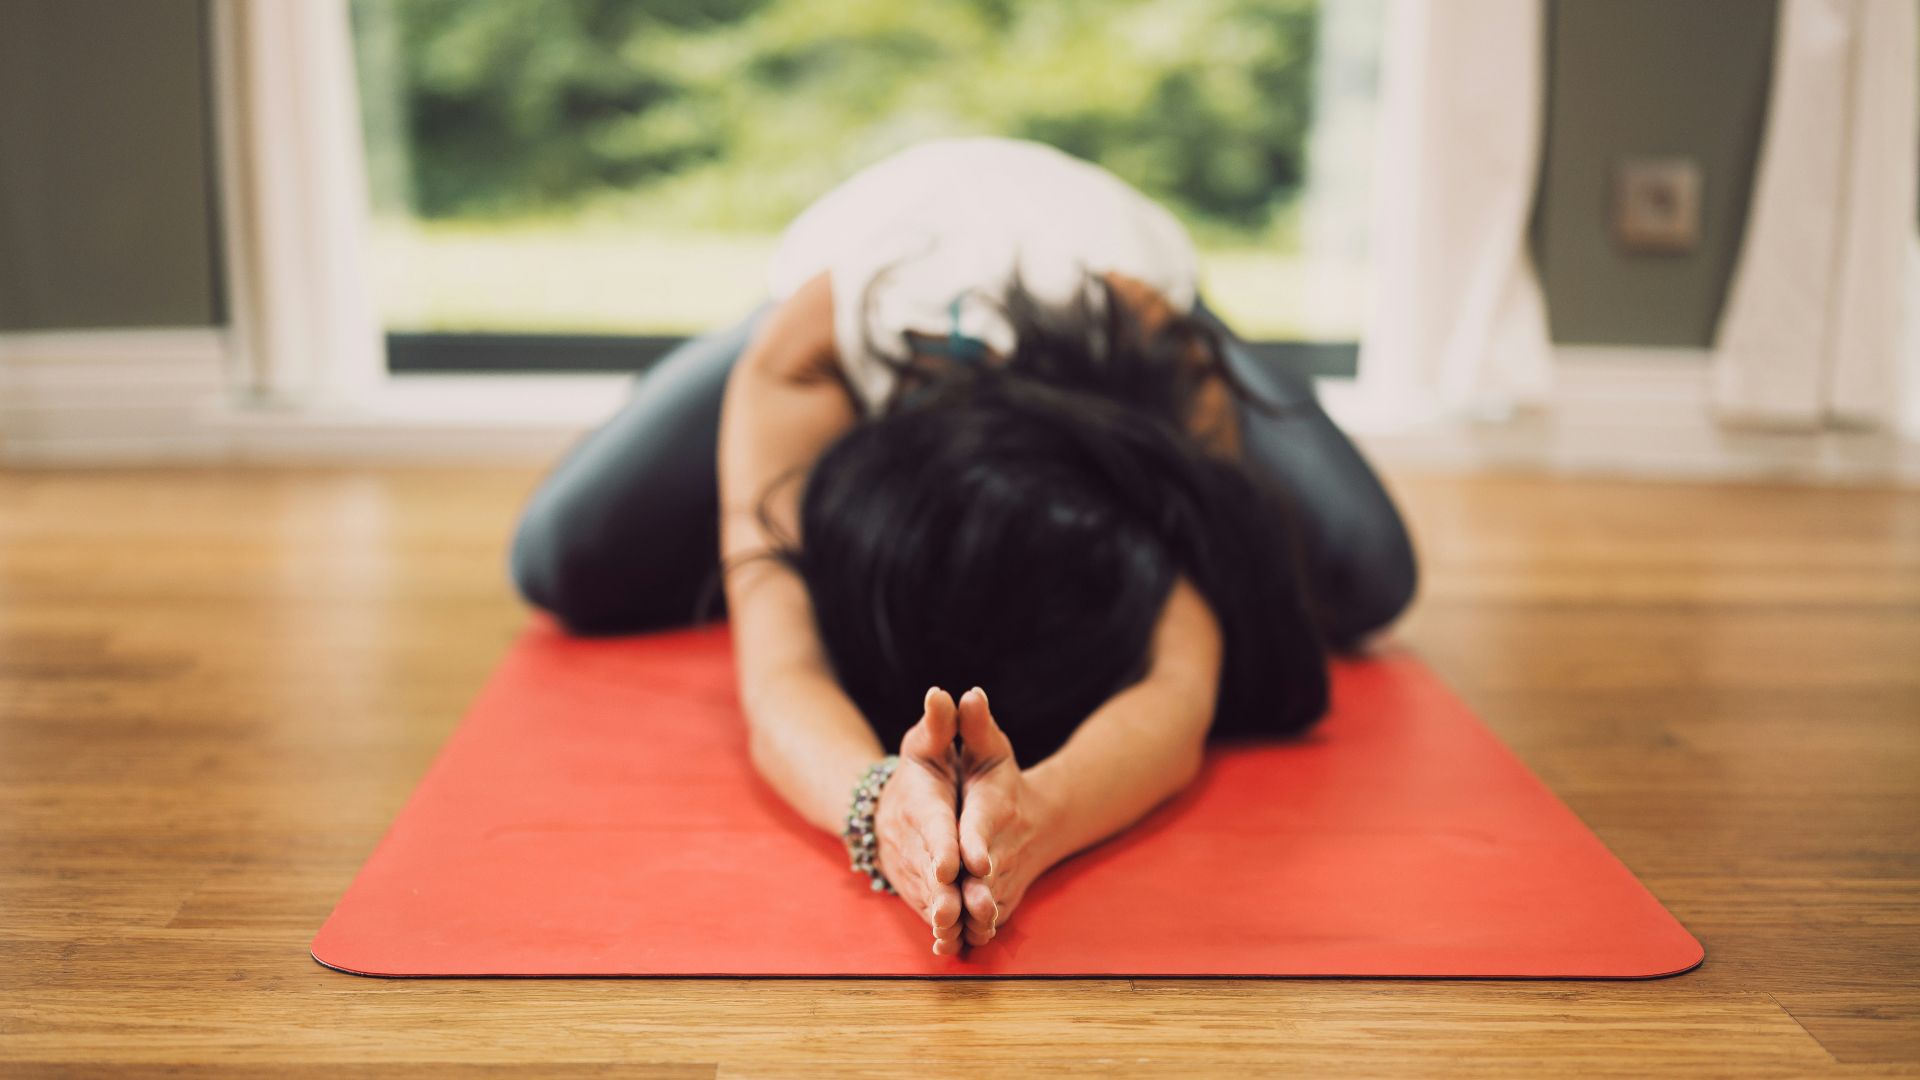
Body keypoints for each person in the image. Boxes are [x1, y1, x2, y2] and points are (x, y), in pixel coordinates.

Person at [508, 137, 1417, 957]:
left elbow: (1182, 681)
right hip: (856, 247)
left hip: (1122, 262)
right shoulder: (809, 355)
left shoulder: (1153, 363)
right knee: (561, 560)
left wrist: (1035, 822)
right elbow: (778, 670)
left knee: (1368, 576)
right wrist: (878, 809)